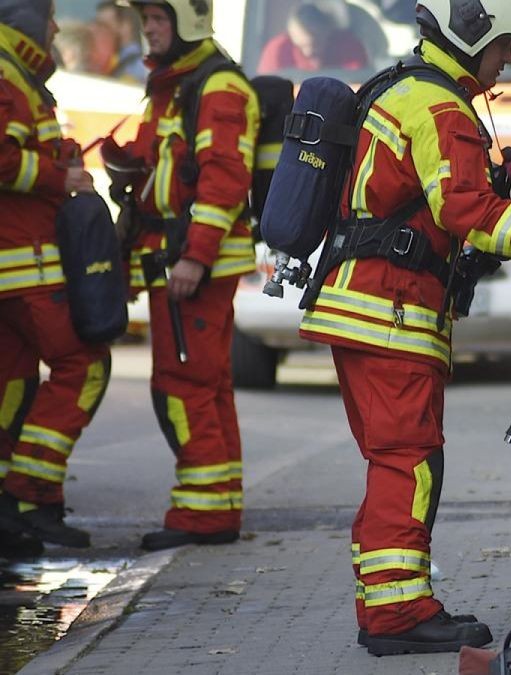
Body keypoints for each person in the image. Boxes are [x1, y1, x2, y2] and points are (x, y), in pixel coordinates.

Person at [295, 0, 511, 655]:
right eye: (506, 46)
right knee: (408, 463)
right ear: (474, 32)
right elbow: (468, 211)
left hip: (361, 307)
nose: (509, 61)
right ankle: (397, 614)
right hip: (392, 312)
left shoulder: (403, 87)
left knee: (395, 462)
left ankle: (391, 602)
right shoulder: (440, 109)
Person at [102, 0, 258, 551]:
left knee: (183, 385)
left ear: (190, 20)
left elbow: (223, 179)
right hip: (176, 258)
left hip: (195, 266)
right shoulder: (175, 85)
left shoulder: (216, 87)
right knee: (206, 384)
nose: (147, 29)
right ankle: (217, 506)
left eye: (158, 19)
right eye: (144, 19)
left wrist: (195, 256)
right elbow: (166, 164)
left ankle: (203, 515)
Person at [0, 0, 111, 555]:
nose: (58, 30)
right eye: (49, 22)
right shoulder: (7, 75)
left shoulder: (19, 76)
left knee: (13, 385)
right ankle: (31, 495)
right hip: (25, 266)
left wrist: (63, 156)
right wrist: (59, 175)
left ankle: (9, 511)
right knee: (85, 365)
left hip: (19, 269)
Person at [256, 2, 369, 73]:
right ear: (291, 36)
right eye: (301, 46)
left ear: (327, 32)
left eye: (315, 44)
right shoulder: (278, 50)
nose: (308, 52)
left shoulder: (348, 46)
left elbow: (360, 86)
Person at [95, 1, 148, 82]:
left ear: (125, 26)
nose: (101, 31)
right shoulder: (109, 59)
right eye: (99, 25)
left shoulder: (140, 65)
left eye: (106, 25)